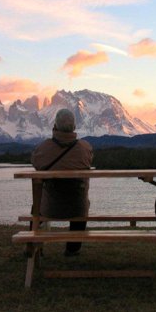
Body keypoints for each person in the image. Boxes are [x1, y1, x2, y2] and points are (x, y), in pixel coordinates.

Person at [31, 108, 93, 256]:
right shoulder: (85, 148)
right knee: (82, 204)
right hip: (77, 208)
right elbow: (89, 161)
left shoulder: (43, 148)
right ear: (74, 127)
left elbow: (35, 162)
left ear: (55, 126)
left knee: (35, 208)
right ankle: (72, 249)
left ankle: (31, 243)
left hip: (49, 208)